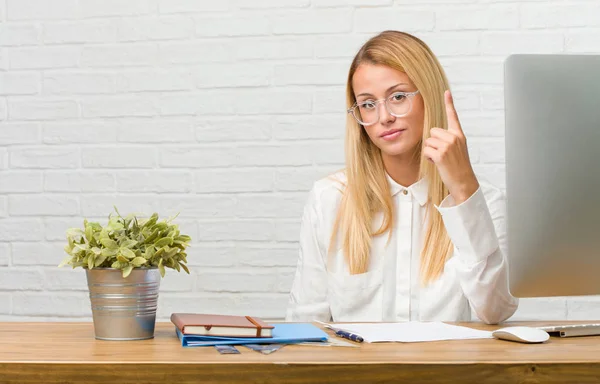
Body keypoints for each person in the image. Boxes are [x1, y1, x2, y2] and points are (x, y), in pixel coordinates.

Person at [285, 30, 518, 324]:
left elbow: (496, 310)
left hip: (446, 370)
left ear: (429, 96)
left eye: (398, 97)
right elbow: (305, 322)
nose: (384, 117)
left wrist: (463, 189)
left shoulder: (483, 199)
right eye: (368, 104)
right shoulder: (329, 197)